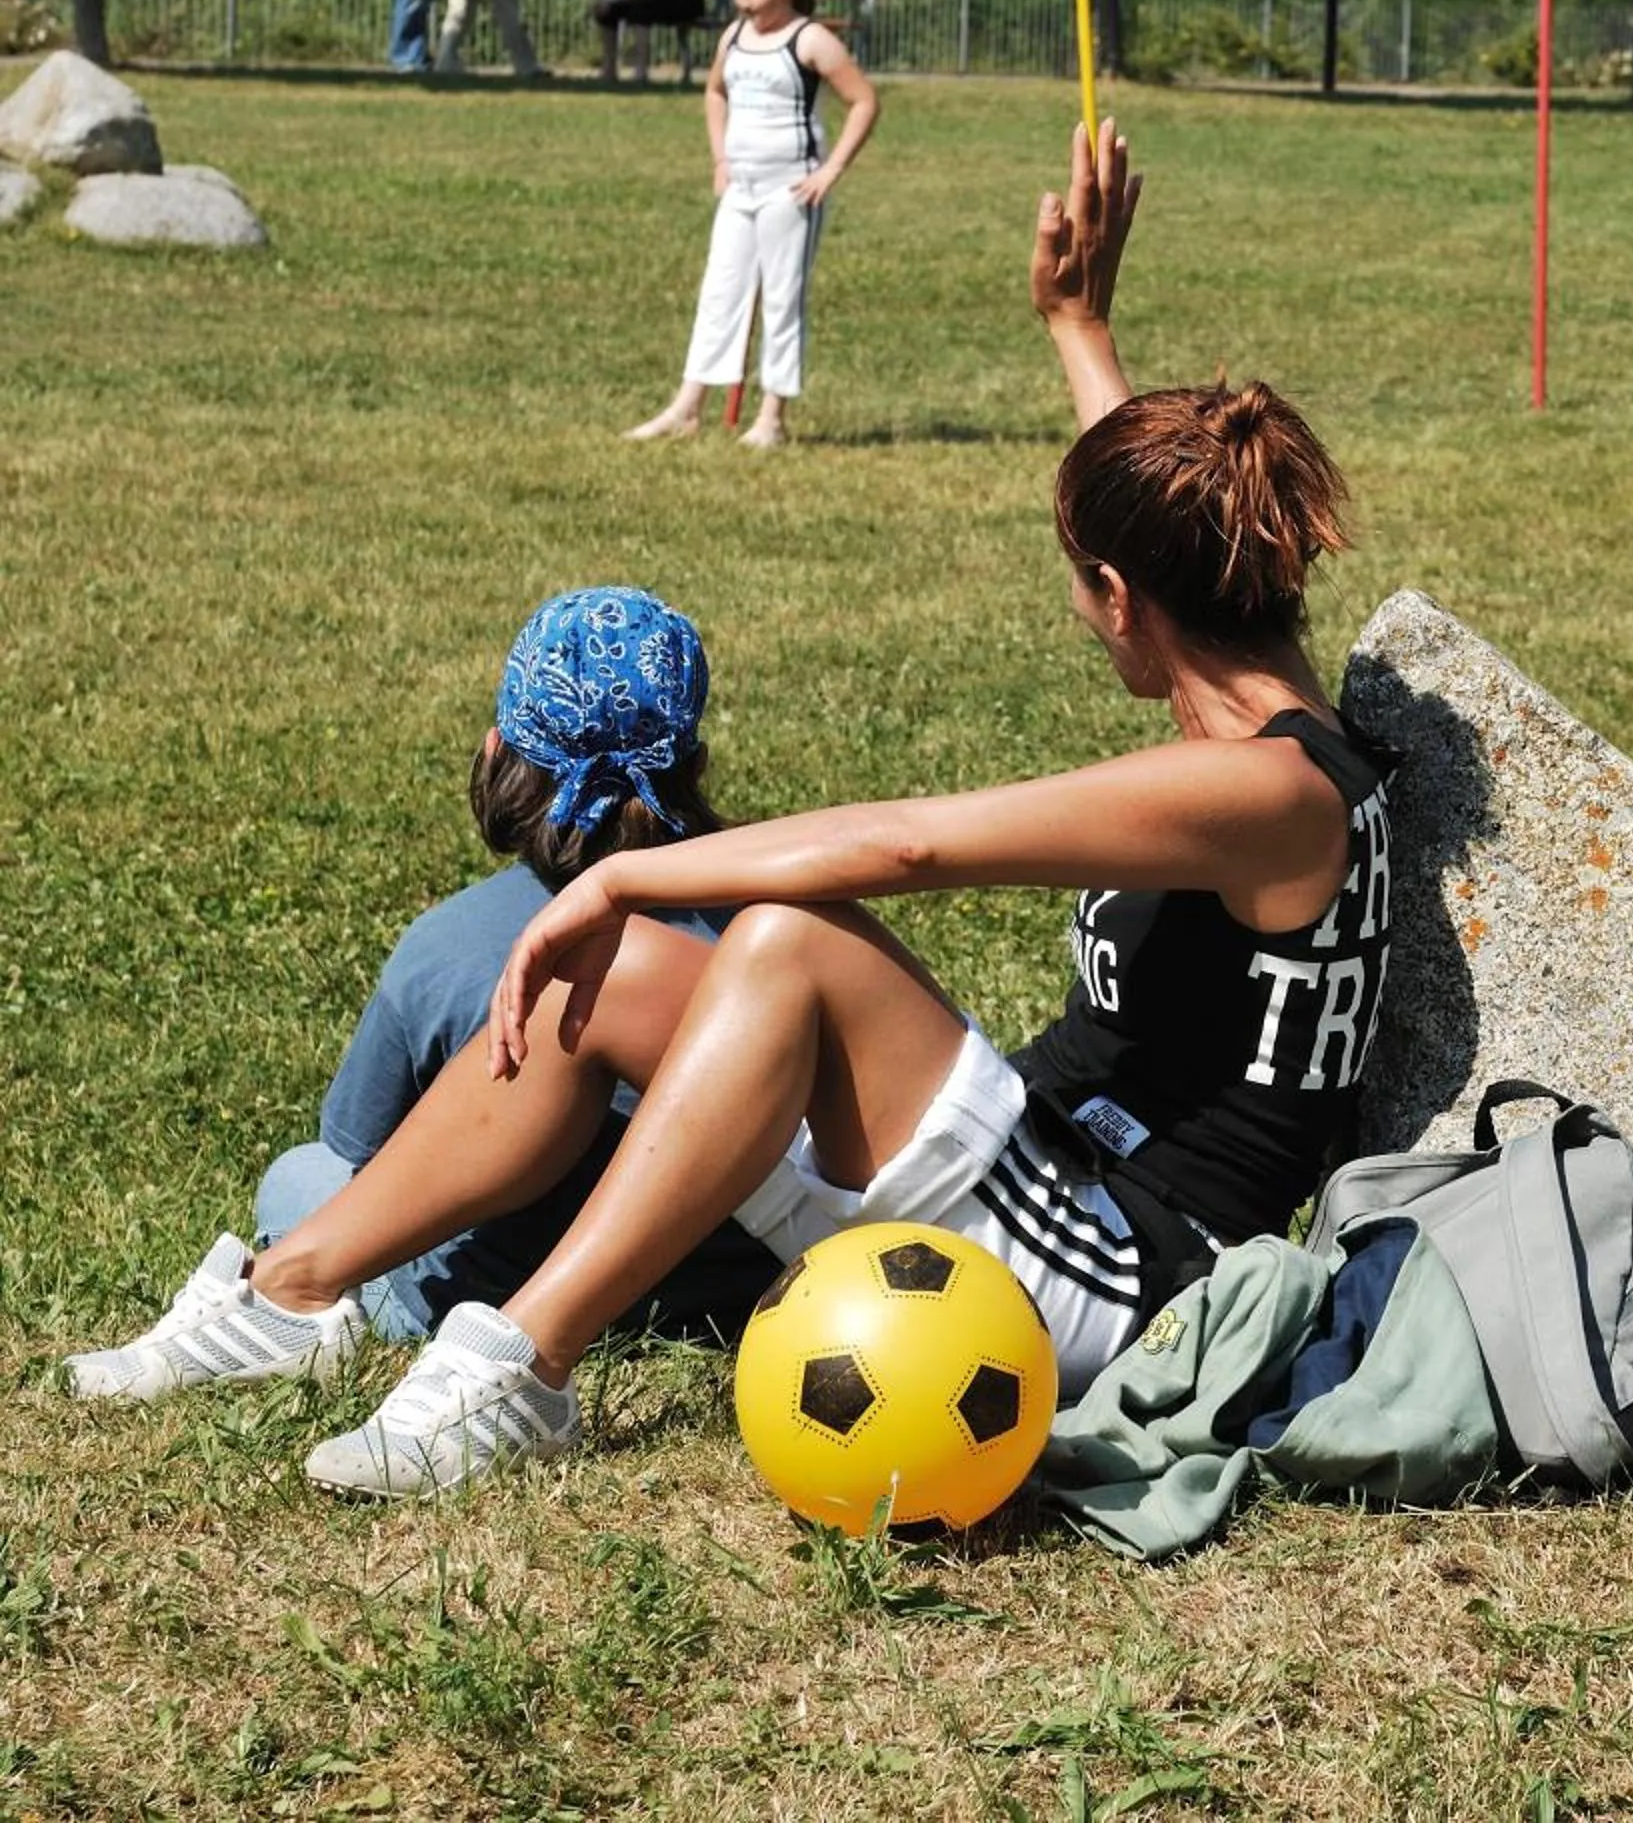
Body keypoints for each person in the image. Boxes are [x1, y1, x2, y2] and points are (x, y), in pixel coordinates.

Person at [68, 120, 1403, 1505]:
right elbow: (1144, 528)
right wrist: (1080, 328)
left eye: (1087, 594)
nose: (1086, 619)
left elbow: (908, 847)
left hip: (1120, 1266)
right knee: (633, 976)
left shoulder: (1271, 794)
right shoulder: (1248, 724)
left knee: (787, 936)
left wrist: (619, 878)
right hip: (1035, 1185)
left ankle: (523, 1365)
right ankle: (288, 1292)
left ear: (1127, 599)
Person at [64, 587, 782, 1399]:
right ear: (691, 761)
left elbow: (360, 1148)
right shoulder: (778, 930)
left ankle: (284, 1303)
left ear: (500, 751)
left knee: (306, 1176)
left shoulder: (452, 943)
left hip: (490, 1292)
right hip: (731, 1291)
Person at [625, 0, 880, 450]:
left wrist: (830, 170)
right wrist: (720, 158)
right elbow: (716, 92)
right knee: (720, 293)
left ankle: (771, 419)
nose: (742, 2)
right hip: (740, 187)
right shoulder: (734, 37)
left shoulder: (810, 41)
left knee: (783, 299)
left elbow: (864, 101)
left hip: (792, 191)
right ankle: (688, 407)